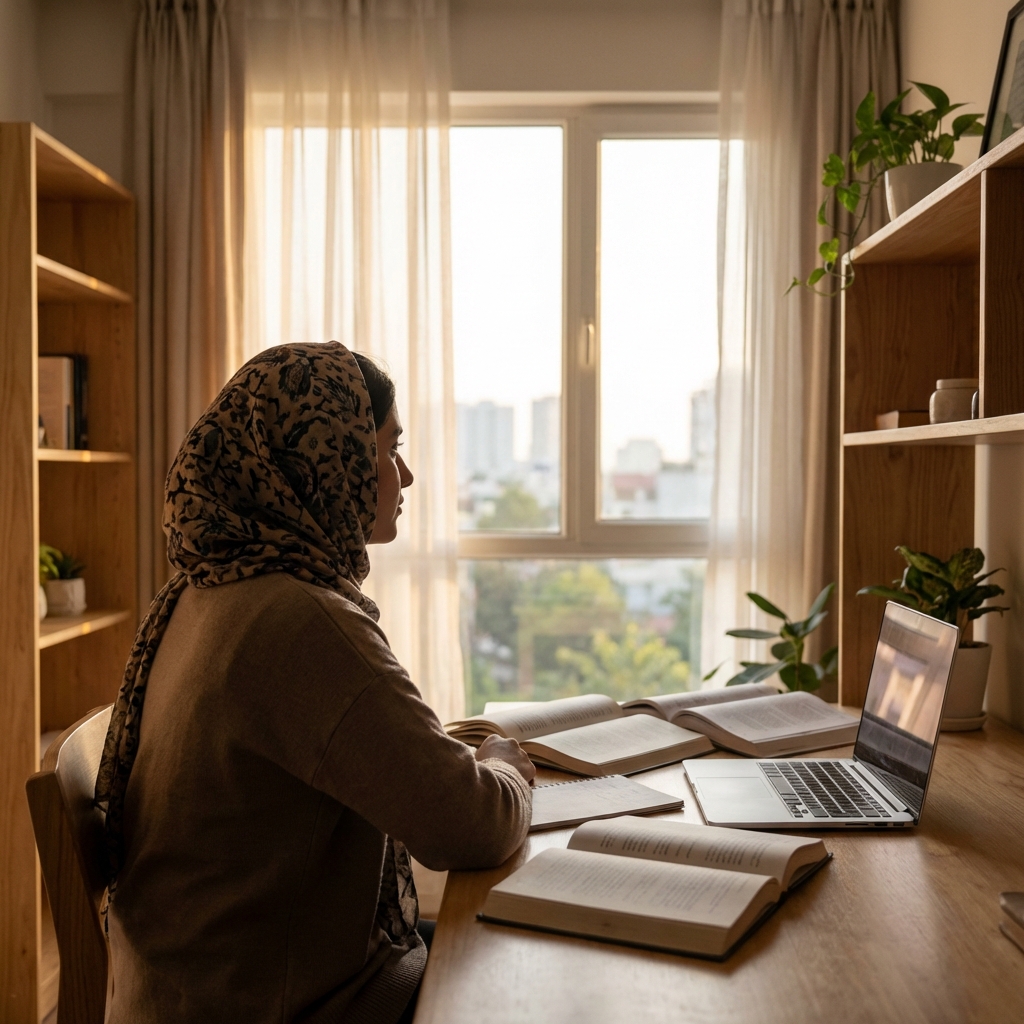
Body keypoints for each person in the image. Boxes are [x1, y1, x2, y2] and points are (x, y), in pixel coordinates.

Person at [95, 342, 535, 1024]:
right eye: (389, 448)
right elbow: (468, 827)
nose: (406, 476)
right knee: (529, 972)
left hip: (198, 989)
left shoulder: (206, 588)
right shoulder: (302, 622)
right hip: (277, 1003)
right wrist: (505, 765)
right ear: (330, 461)